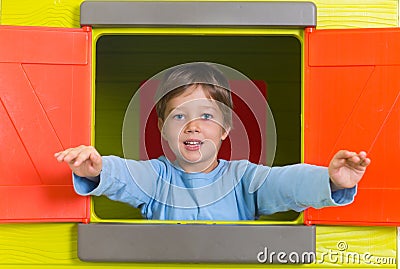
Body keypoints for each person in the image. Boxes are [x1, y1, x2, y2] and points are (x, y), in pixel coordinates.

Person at [54, 62, 371, 220]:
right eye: (179, 117)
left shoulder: (243, 178)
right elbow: (123, 176)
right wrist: (96, 170)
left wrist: (329, 180)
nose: (192, 126)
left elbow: (285, 183)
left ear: (225, 128)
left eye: (206, 116)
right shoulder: (156, 177)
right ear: (164, 129)